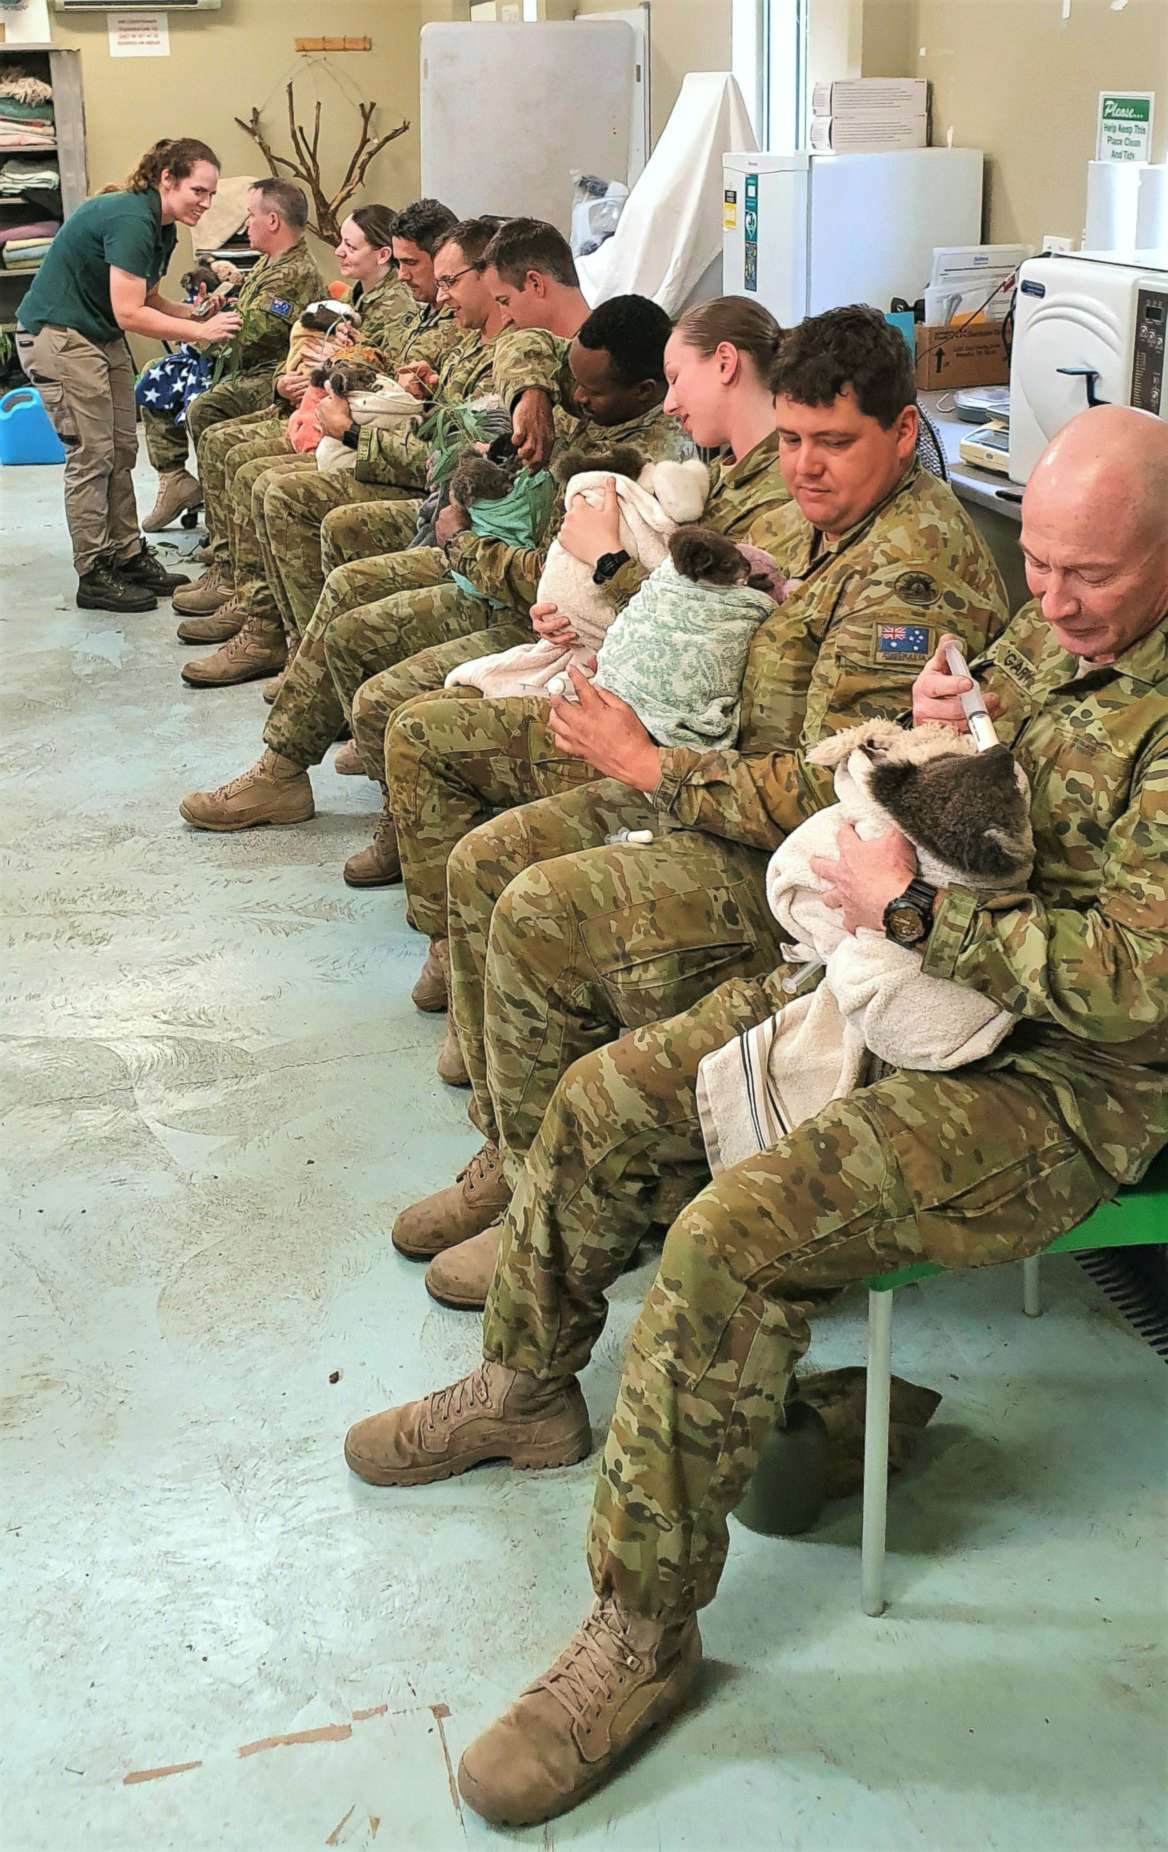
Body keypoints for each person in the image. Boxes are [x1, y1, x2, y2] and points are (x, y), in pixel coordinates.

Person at [344, 404, 1168, 1828]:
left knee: (735, 1238)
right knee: (606, 1100)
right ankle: (528, 1390)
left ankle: (642, 1636)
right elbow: (992, 761)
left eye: (1086, 575)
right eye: (1033, 563)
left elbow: (1134, 982)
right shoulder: (1057, 628)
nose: (1048, 598)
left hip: (1069, 1081)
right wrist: (946, 729)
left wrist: (906, 909)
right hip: (914, 966)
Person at [388, 305, 1011, 1297]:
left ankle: (560, 1209)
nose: (804, 466)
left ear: (901, 435)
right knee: (487, 860)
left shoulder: (907, 568)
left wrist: (647, 766)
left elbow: (839, 789)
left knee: (539, 914)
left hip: (789, 860)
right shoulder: (827, 523)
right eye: (794, 438)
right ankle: (518, 1164)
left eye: (833, 443)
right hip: (717, 787)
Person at [374, 295, 790, 980]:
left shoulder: (759, 491)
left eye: (677, 381)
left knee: (421, 733)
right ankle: (450, 942)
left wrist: (605, 566)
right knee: (410, 716)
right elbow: (530, 346)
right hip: (615, 666)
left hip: (673, 734)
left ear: (724, 365)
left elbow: (715, 640)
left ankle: (460, 956)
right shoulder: (725, 470)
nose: (675, 405)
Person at [177, 292, 690, 836]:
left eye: (592, 393)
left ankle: (388, 816)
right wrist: (532, 393)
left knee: (367, 657)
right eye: (573, 382)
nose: (578, 396)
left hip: (531, 611)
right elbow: (526, 344)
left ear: (645, 391)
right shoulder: (595, 390)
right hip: (490, 564)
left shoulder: (650, 466)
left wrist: (461, 541)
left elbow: (556, 577)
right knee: (349, 592)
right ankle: (284, 769)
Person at [174, 197, 462, 685]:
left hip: (389, 455)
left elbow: (426, 427)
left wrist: (341, 411)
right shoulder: (418, 310)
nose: (407, 275)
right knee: (238, 454)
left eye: (413, 263)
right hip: (358, 431)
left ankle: (296, 650)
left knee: (266, 480)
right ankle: (263, 618)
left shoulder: (430, 315)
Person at [14, 136, 241, 614]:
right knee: (92, 453)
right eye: (199, 191)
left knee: (121, 446)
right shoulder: (130, 218)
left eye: (211, 194)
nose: (207, 202)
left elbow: (151, 299)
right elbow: (130, 313)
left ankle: (127, 553)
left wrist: (193, 315)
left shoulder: (163, 226)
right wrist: (202, 335)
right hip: (61, 334)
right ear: (167, 179)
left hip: (97, 333)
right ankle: (94, 571)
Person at [139, 176, 324, 533]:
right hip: (243, 361)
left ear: (273, 221)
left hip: (271, 374)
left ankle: (224, 527)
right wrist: (216, 311)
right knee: (156, 374)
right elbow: (246, 318)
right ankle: (174, 478)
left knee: (206, 406)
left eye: (250, 215)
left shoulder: (293, 272)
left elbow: (252, 336)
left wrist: (197, 335)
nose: (246, 223)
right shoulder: (268, 263)